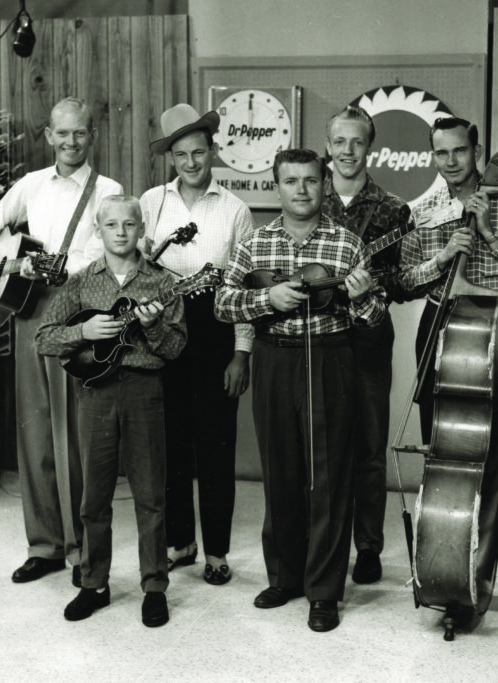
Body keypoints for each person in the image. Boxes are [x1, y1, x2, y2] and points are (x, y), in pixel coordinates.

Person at [215, 148, 385, 633]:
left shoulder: (348, 244)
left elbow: (373, 320)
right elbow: (224, 303)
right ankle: (286, 577)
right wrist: (266, 297)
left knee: (328, 480)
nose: (302, 190)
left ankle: (324, 592)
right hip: (273, 357)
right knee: (281, 472)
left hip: (331, 357)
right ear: (277, 187)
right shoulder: (255, 243)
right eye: (291, 181)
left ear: (323, 184)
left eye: (310, 180)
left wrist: (362, 298)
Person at [397, 115, 498, 625]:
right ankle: (453, 580)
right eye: (441, 154)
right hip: (438, 327)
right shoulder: (424, 210)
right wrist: (442, 258)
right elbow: (403, 281)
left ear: (478, 150)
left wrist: (488, 234)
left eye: (459, 151)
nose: (451, 162)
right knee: (445, 462)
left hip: (490, 330)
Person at [0, 97, 123, 587]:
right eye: (62, 133)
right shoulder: (30, 185)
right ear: (48, 135)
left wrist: (42, 264)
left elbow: (102, 256)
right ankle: (45, 545)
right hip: (30, 312)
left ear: (91, 134)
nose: (71, 142)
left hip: (80, 313)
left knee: (78, 434)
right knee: (34, 432)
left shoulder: (109, 191)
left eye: (80, 133)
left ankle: (84, 547)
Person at [34, 195, 187, 627]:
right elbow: (43, 338)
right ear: (98, 232)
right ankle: (94, 583)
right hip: (95, 395)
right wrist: (82, 330)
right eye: (112, 225)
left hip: (144, 391)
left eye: (130, 224)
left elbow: (175, 348)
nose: (121, 232)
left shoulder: (162, 283)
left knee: (150, 494)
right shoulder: (82, 282)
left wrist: (154, 325)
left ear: (142, 230)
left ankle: (154, 586)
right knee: (94, 496)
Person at [139, 104, 255, 585]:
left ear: (213, 151)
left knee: (214, 448)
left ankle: (218, 553)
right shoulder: (150, 203)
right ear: (170, 157)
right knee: (170, 447)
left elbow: (245, 289)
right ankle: (180, 544)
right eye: (181, 154)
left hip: (215, 329)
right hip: (162, 330)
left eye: (199, 152)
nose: (191, 162)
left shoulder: (234, 209)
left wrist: (241, 352)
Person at [321, 105, 415, 585]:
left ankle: (369, 547)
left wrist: (370, 285)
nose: (347, 151)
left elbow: (401, 283)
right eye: (340, 141)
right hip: (317, 338)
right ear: (328, 144)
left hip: (370, 335)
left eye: (357, 142)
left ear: (369, 147)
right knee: (325, 444)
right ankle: (327, 545)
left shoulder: (394, 210)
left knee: (370, 447)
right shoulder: (309, 200)